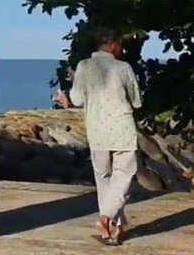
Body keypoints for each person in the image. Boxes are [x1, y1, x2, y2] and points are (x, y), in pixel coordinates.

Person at [54, 28, 143, 246]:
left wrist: (67, 101)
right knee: (123, 176)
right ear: (112, 45)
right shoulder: (123, 68)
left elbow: (76, 98)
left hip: (97, 130)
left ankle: (112, 230)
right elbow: (137, 101)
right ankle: (107, 218)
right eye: (120, 46)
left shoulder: (83, 66)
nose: (121, 50)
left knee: (104, 178)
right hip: (122, 128)